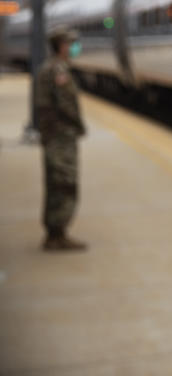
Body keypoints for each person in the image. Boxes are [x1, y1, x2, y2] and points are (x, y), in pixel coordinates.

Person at [35, 26, 87, 252]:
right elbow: (65, 104)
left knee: (57, 182)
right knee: (63, 183)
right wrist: (78, 126)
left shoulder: (53, 68)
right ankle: (57, 234)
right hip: (60, 136)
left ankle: (55, 233)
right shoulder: (57, 70)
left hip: (56, 135)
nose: (74, 47)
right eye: (71, 43)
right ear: (62, 45)